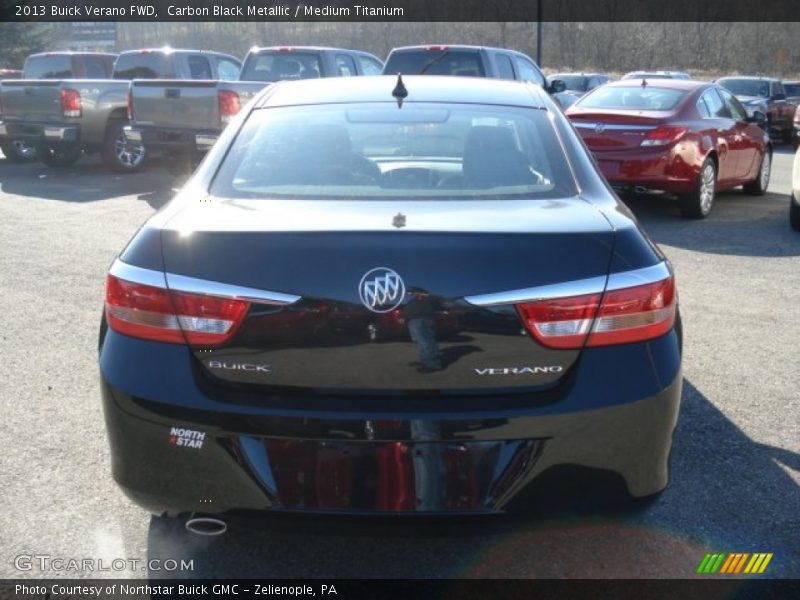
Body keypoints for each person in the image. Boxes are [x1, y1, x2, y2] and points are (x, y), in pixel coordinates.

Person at [403, 288, 442, 372]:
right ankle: (425, 361)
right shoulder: (413, 301)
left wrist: (424, 295)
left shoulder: (429, 298)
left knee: (426, 342)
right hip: (413, 320)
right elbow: (407, 310)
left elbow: (438, 305)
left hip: (423, 320)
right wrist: (403, 317)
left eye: (412, 292)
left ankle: (433, 365)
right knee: (420, 342)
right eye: (410, 292)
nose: (410, 294)